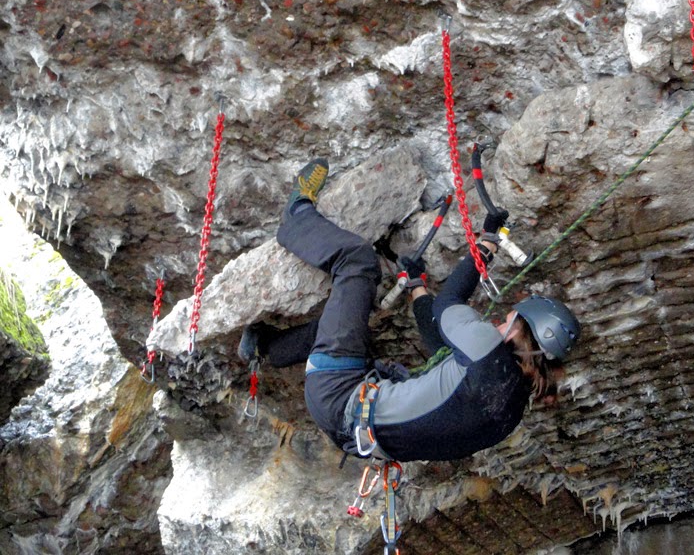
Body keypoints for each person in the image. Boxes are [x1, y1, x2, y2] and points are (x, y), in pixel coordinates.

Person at [238, 158, 580, 462]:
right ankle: (265, 345)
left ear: (523, 328)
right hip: (352, 433)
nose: (502, 319)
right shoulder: (511, 409)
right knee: (349, 321)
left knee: (358, 263)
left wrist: (487, 242)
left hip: (338, 390)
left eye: (510, 318)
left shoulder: (487, 349)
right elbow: (441, 351)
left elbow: (448, 304)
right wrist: (416, 285)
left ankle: (296, 216)